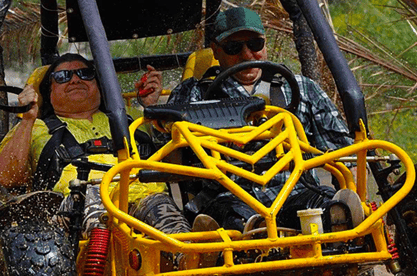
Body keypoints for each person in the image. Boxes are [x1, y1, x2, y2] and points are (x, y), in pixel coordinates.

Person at [138, 7, 354, 232]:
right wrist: (153, 107)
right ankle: (253, 236)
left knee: (328, 208)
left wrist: (352, 187)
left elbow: (344, 153)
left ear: (265, 43)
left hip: (296, 193)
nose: (247, 54)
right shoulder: (193, 94)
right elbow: (169, 162)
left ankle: (339, 226)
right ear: (216, 50)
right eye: (234, 47)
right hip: (228, 198)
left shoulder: (302, 89)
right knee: (237, 219)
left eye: (255, 45)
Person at [0, 53, 195, 240]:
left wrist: (152, 109)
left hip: (142, 200)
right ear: (48, 92)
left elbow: (178, 164)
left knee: (159, 203)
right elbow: (7, 177)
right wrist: (27, 118)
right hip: (75, 213)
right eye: (62, 76)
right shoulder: (34, 127)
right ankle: (107, 255)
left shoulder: (131, 118)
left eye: (85, 74)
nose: (75, 80)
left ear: (99, 85)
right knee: (89, 194)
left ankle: (191, 253)